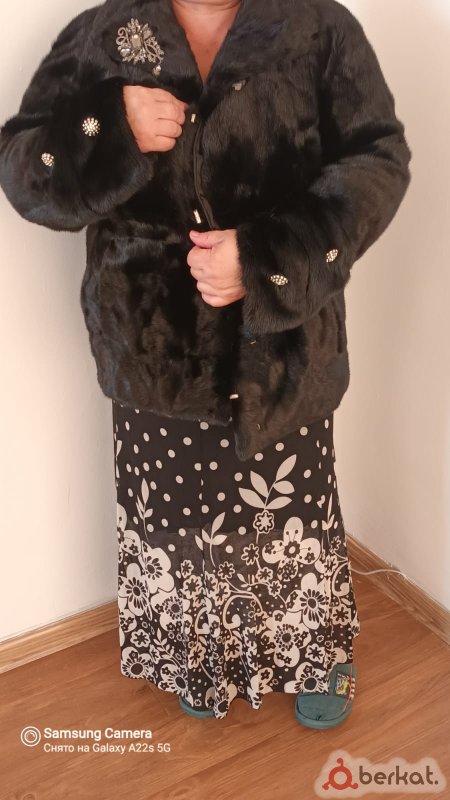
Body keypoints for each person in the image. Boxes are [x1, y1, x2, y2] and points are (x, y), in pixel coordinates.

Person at [0, 0, 412, 725]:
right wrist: (108, 126)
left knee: (290, 507)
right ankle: (201, 651)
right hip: (151, 347)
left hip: (282, 344)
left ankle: (314, 651)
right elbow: (23, 169)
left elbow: (379, 159)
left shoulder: (319, 27)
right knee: (176, 513)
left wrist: (264, 258)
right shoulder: (104, 31)